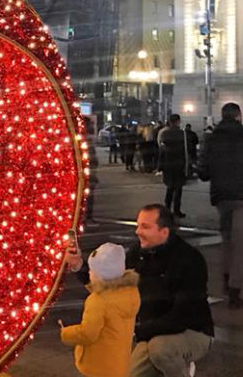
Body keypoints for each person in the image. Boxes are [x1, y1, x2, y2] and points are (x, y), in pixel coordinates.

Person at [65, 205, 214, 377]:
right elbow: (110, 285)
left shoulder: (189, 260)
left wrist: (139, 332)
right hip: (151, 333)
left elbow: (183, 314)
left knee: (160, 350)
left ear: (164, 232)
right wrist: (79, 266)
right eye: (138, 225)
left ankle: (181, 369)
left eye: (145, 226)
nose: (137, 231)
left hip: (192, 331)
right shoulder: (138, 253)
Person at [198, 103, 243, 309]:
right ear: (239, 117)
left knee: (227, 240)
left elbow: (202, 172)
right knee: (241, 245)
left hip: (222, 197)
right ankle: (234, 291)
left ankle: (226, 278)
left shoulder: (211, 140)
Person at [60, 243, 140, 377]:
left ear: (100, 276)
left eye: (92, 270)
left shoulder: (97, 301)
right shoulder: (130, 291)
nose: (90, 272)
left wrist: (66, 333)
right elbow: (107, 294)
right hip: (120, 365)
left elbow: (88, 334)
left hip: (98, 366)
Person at [159, 115, 191, 219]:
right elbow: (186, 150)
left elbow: (162, 150)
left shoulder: (164, 133)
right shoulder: (182, 134)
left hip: (168, 164)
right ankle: (177, 210)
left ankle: (167, 208)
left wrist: (160, 165)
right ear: (178, 121)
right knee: (178, 188)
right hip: (179, 164)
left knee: (170, 187)